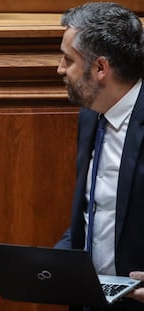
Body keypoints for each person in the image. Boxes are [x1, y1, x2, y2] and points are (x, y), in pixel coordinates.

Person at [54, 2, 144, 310]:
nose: (60, 68)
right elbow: (93, 210)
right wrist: (52, 263)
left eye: (68, 60)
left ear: (100, 68)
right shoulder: (91, 115)